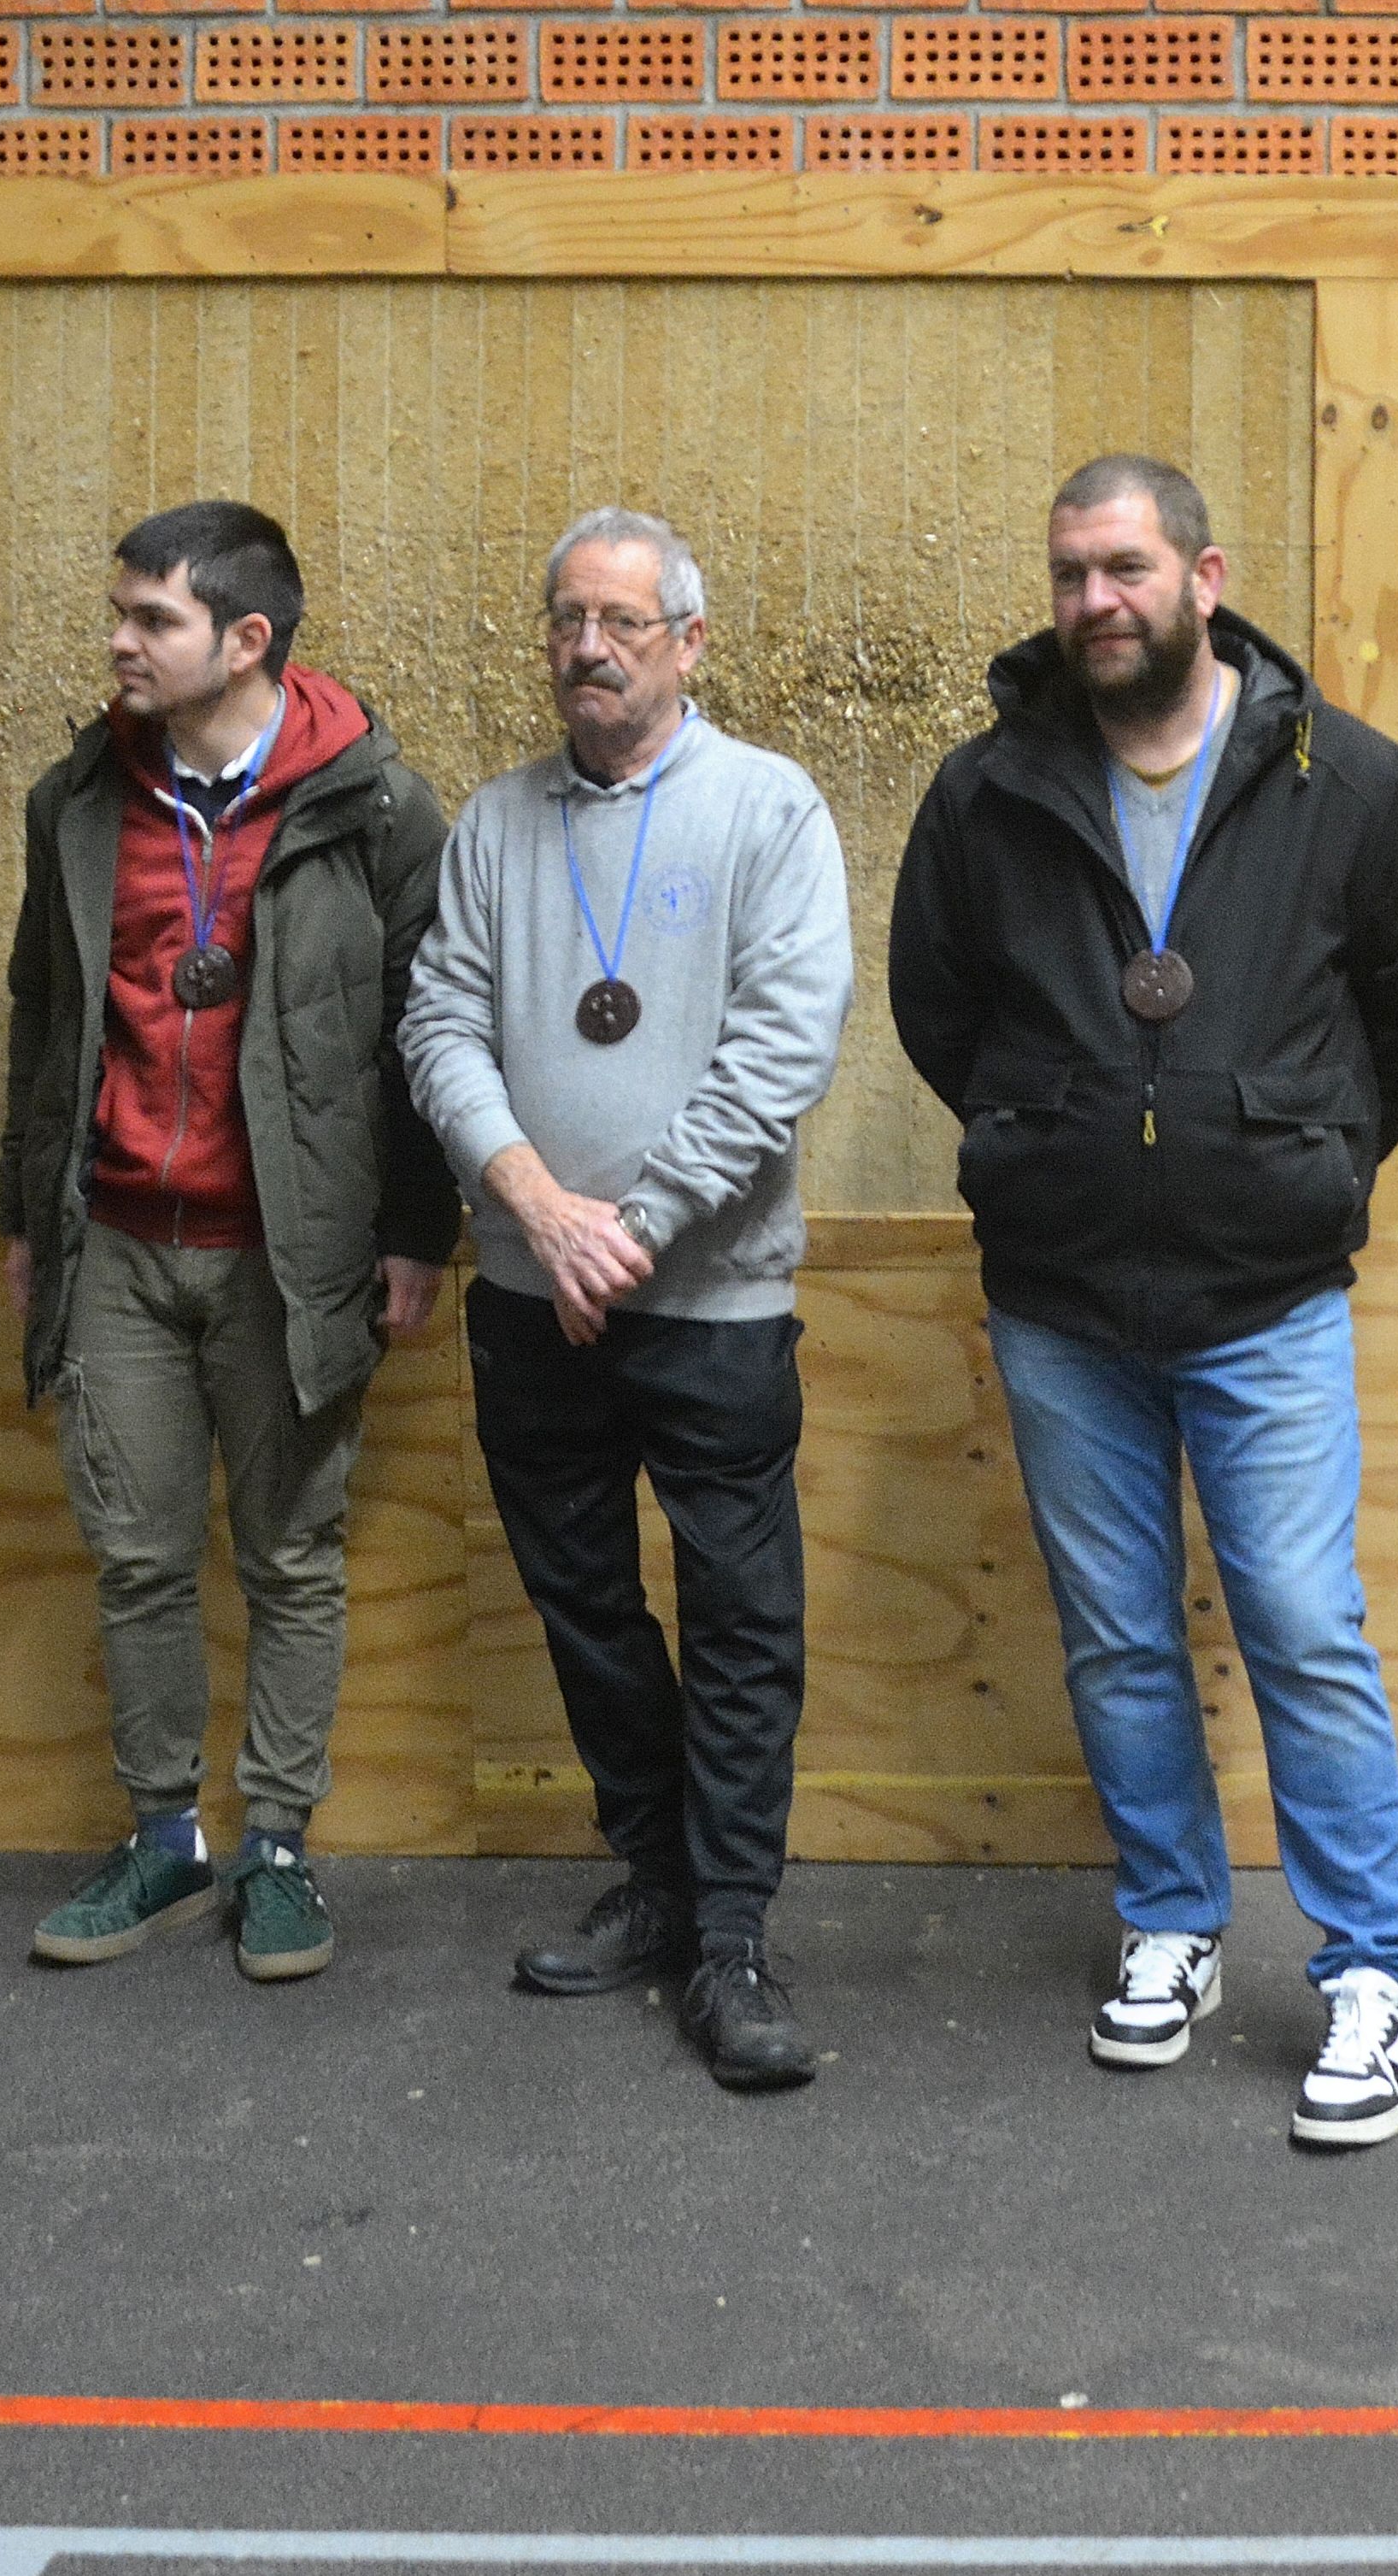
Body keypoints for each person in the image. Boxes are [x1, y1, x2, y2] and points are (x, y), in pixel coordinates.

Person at [886, 453, 1398, 2150]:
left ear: (1204, 578)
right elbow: (938, 1006)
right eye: (1070, 572)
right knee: (1121, 1633)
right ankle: (1170, 1920)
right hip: (1060, 1295)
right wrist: (1047, 1134)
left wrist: (1300, 1152)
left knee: (1300, 1625)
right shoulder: (988, 789)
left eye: (1126, 568)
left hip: (1263, 1294)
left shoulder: (1342, 779)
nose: (1095, 601)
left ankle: (1373, 1975)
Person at [398, 506, 853, 2094]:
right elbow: (439, 1022)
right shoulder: (494, 824)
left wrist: (634, 1228)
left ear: (689, 642)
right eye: (565, 619)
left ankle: (730, 1936)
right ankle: (656, 1879)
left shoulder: (769, 809)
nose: (586, 647)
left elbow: (782, 1049)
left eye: (621, 621)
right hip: (534, 1303)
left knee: (740, 1620)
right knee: (583, 1605)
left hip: (712, 1303)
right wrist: (535, 1203)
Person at [0, 500, 455, 1983]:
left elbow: (424, 1030)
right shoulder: (81, 798)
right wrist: (25, 1215)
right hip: (120, 1243)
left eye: (152, 619)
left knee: (290, 1556)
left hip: (289, 1251)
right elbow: (42, 1010)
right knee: (136, 1556)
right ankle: (162, 1839)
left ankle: (277, 1849)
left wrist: (416, 1229)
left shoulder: (376, 807)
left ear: (246, 637)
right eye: (119, 614)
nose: (119, 643)